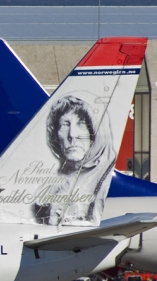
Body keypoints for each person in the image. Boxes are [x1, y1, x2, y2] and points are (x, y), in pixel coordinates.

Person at [32, 95, 115, 225]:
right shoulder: (51, 183)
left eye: (81, 123)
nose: (72, 135)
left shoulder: (104, 182)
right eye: (65, 124)